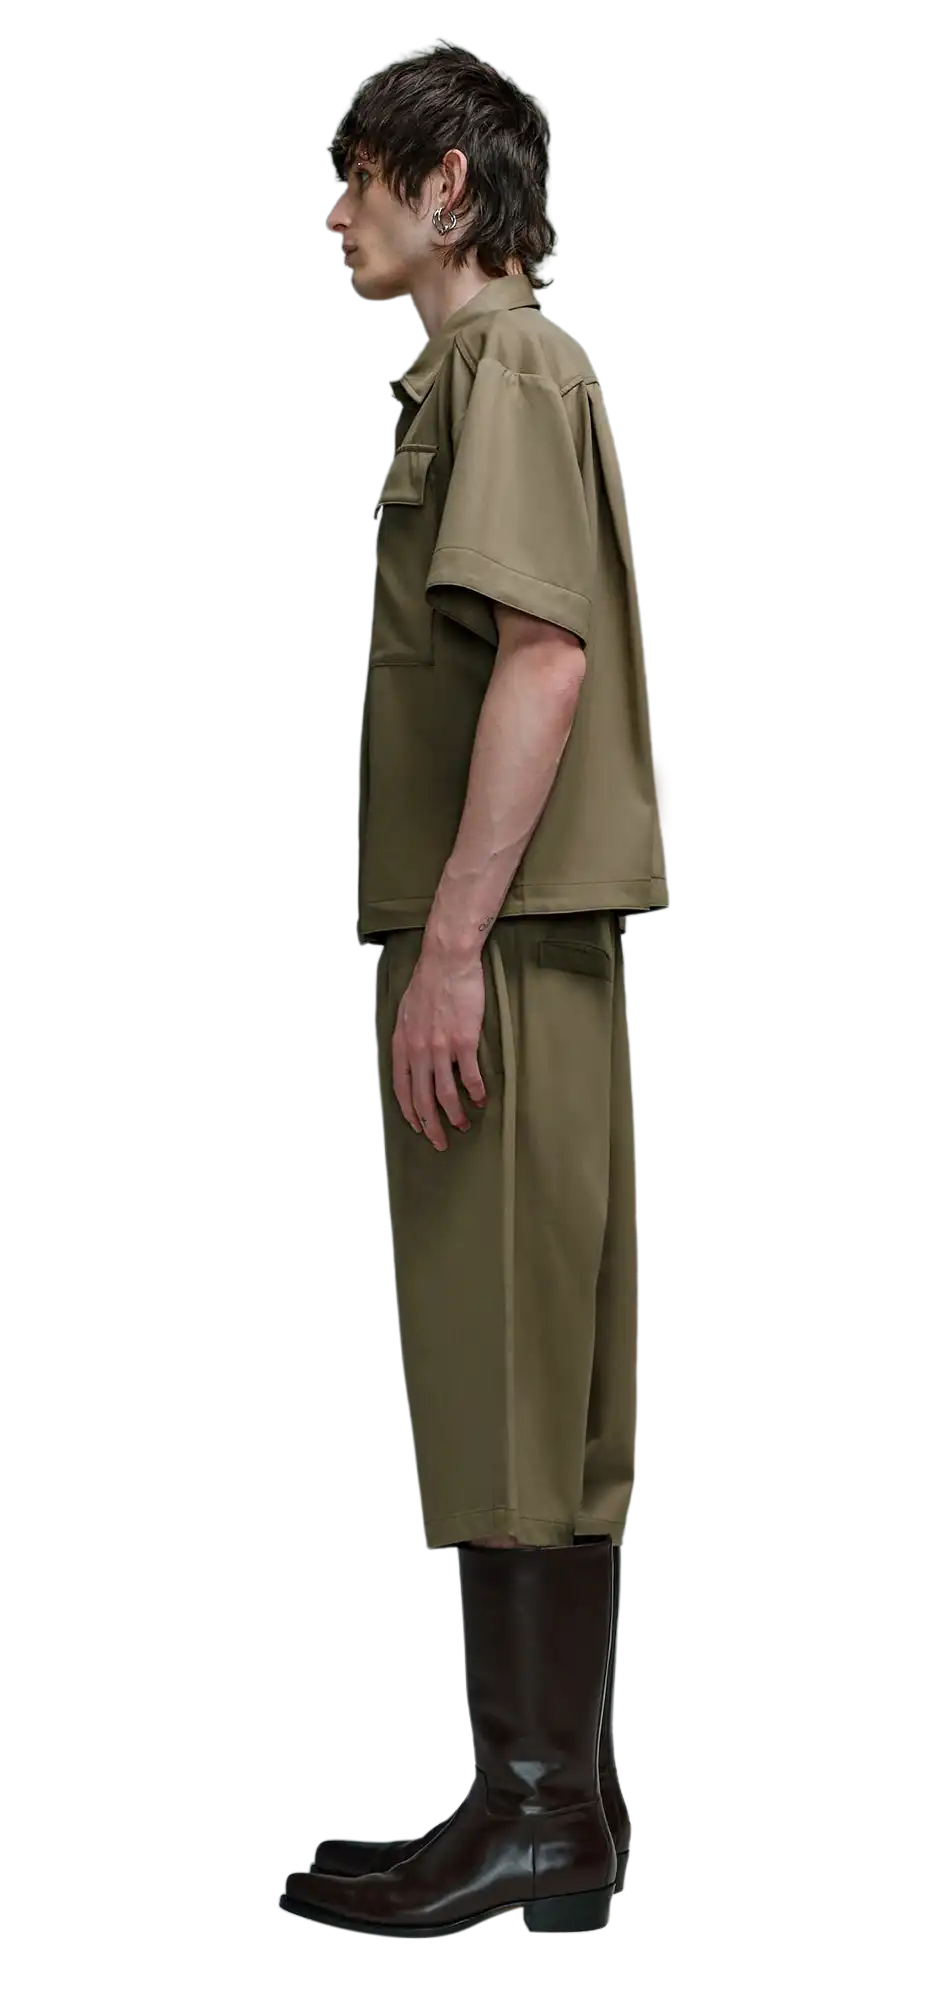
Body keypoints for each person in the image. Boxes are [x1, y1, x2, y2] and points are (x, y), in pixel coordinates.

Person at [280, 41, 671, 1939]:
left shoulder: (503, 370)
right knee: (538, 1374)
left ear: (448, 186)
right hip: (531, 929)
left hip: (500, 934)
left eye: (357, 178)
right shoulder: (511, 373)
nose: (330, 215)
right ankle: (552, 1802)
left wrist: (447, 949)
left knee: (503, 1367)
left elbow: (541, 658)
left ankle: (530, 1816)